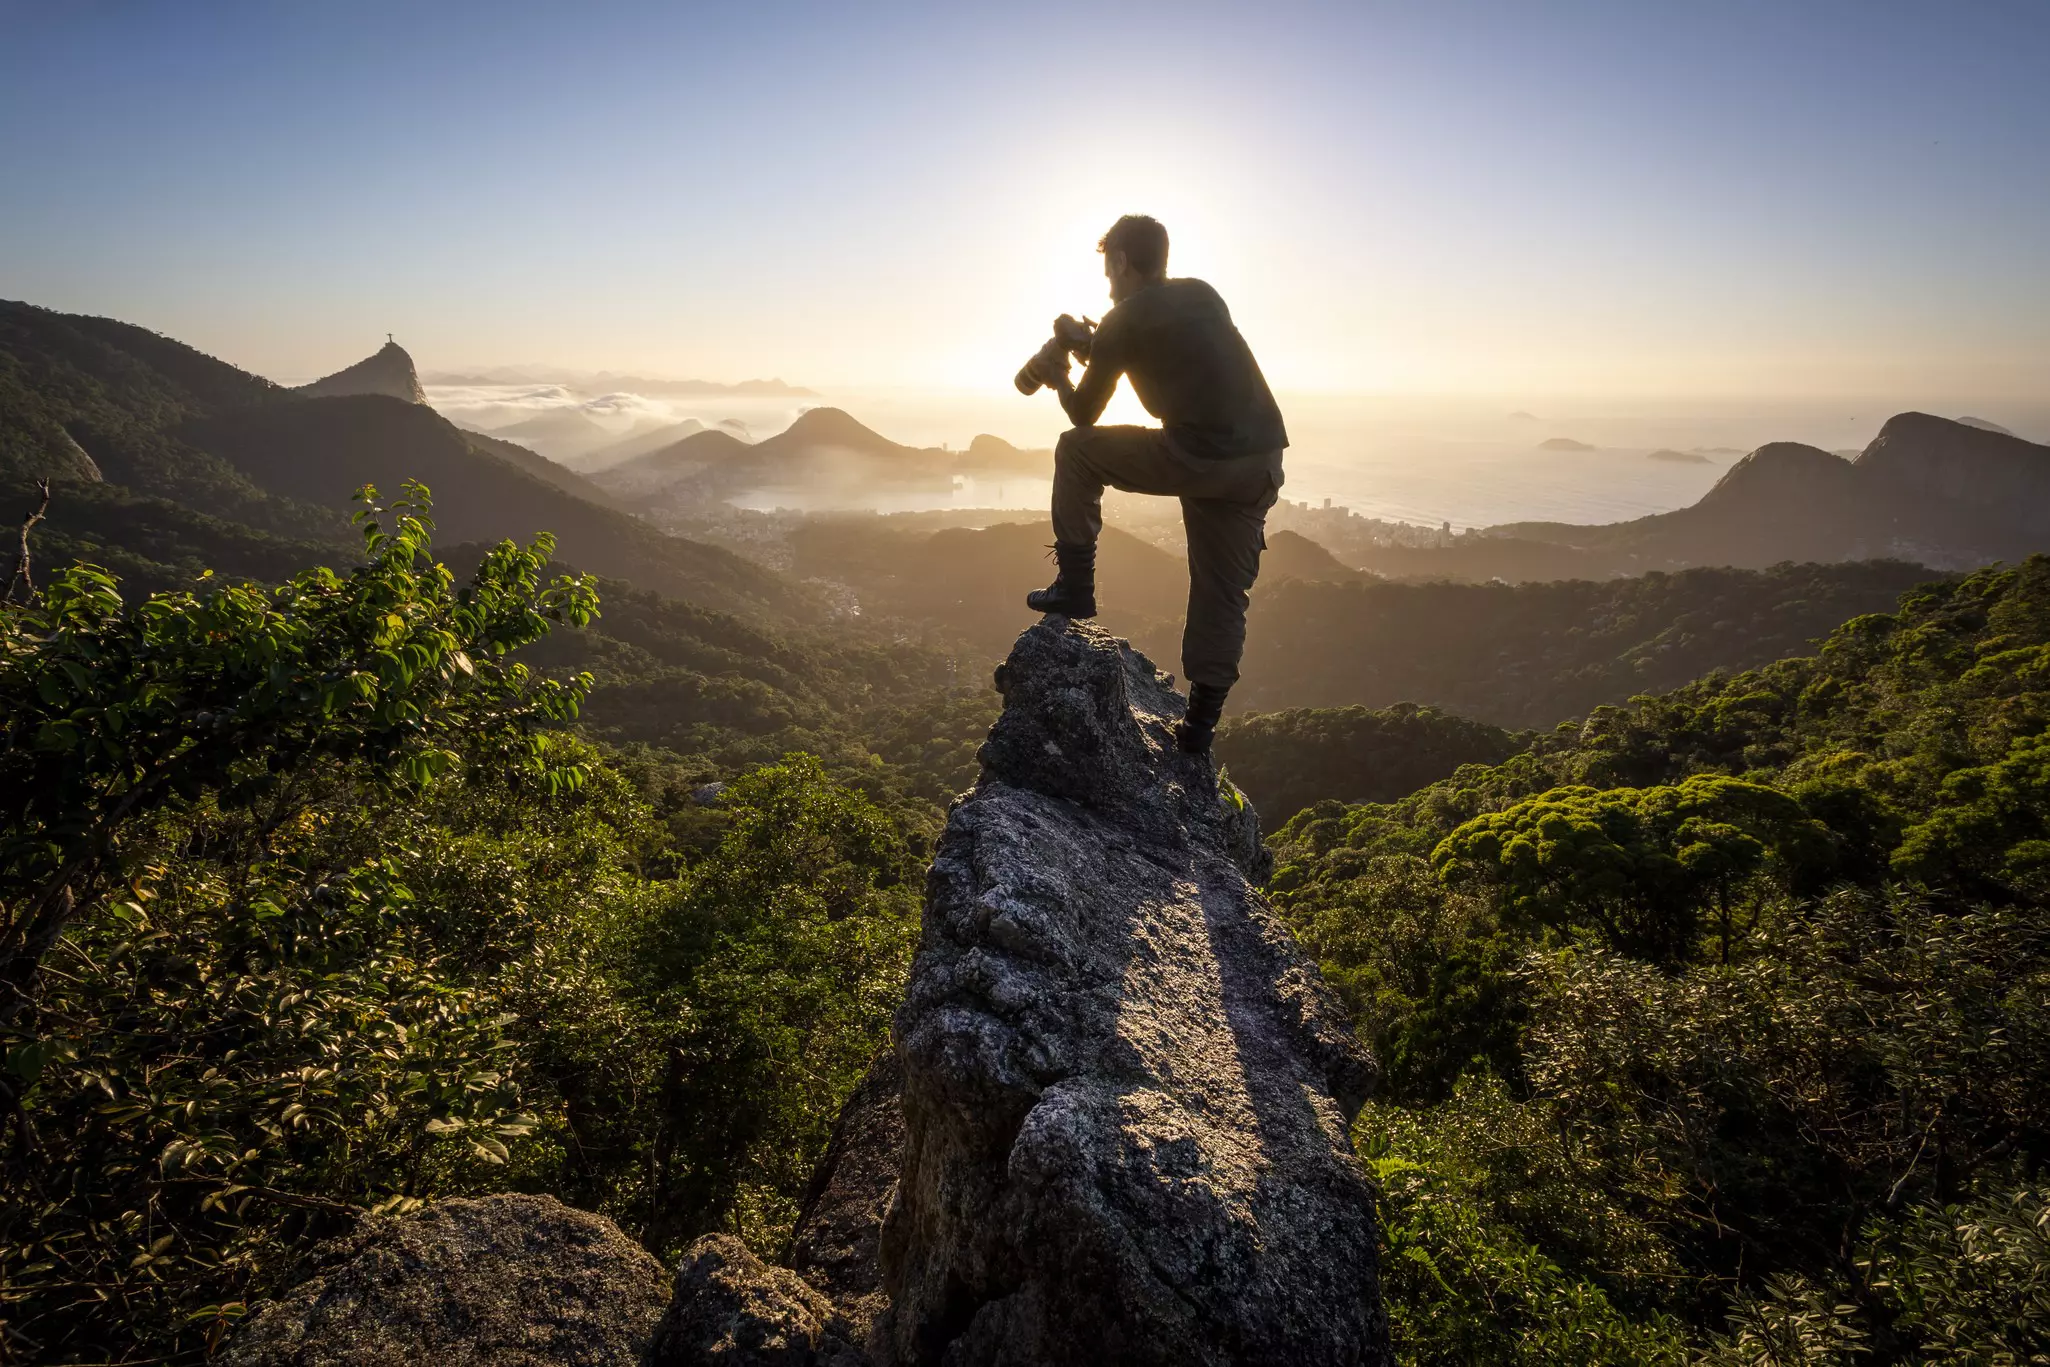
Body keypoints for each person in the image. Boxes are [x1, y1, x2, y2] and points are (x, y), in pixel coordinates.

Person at [1022, 214, 1288, 754]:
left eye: (1108, 272)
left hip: (1197, 454)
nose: (1109, 285)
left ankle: (1075, 587)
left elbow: (1084, 416)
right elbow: (1174, 350)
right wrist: (1096, 344)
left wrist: (1060, 376)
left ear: (1121, 262)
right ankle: (1198, 729)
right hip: (1259, 465)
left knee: (1075, 454)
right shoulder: (1203, 295)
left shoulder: (1123, 321)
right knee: (1222, 595)